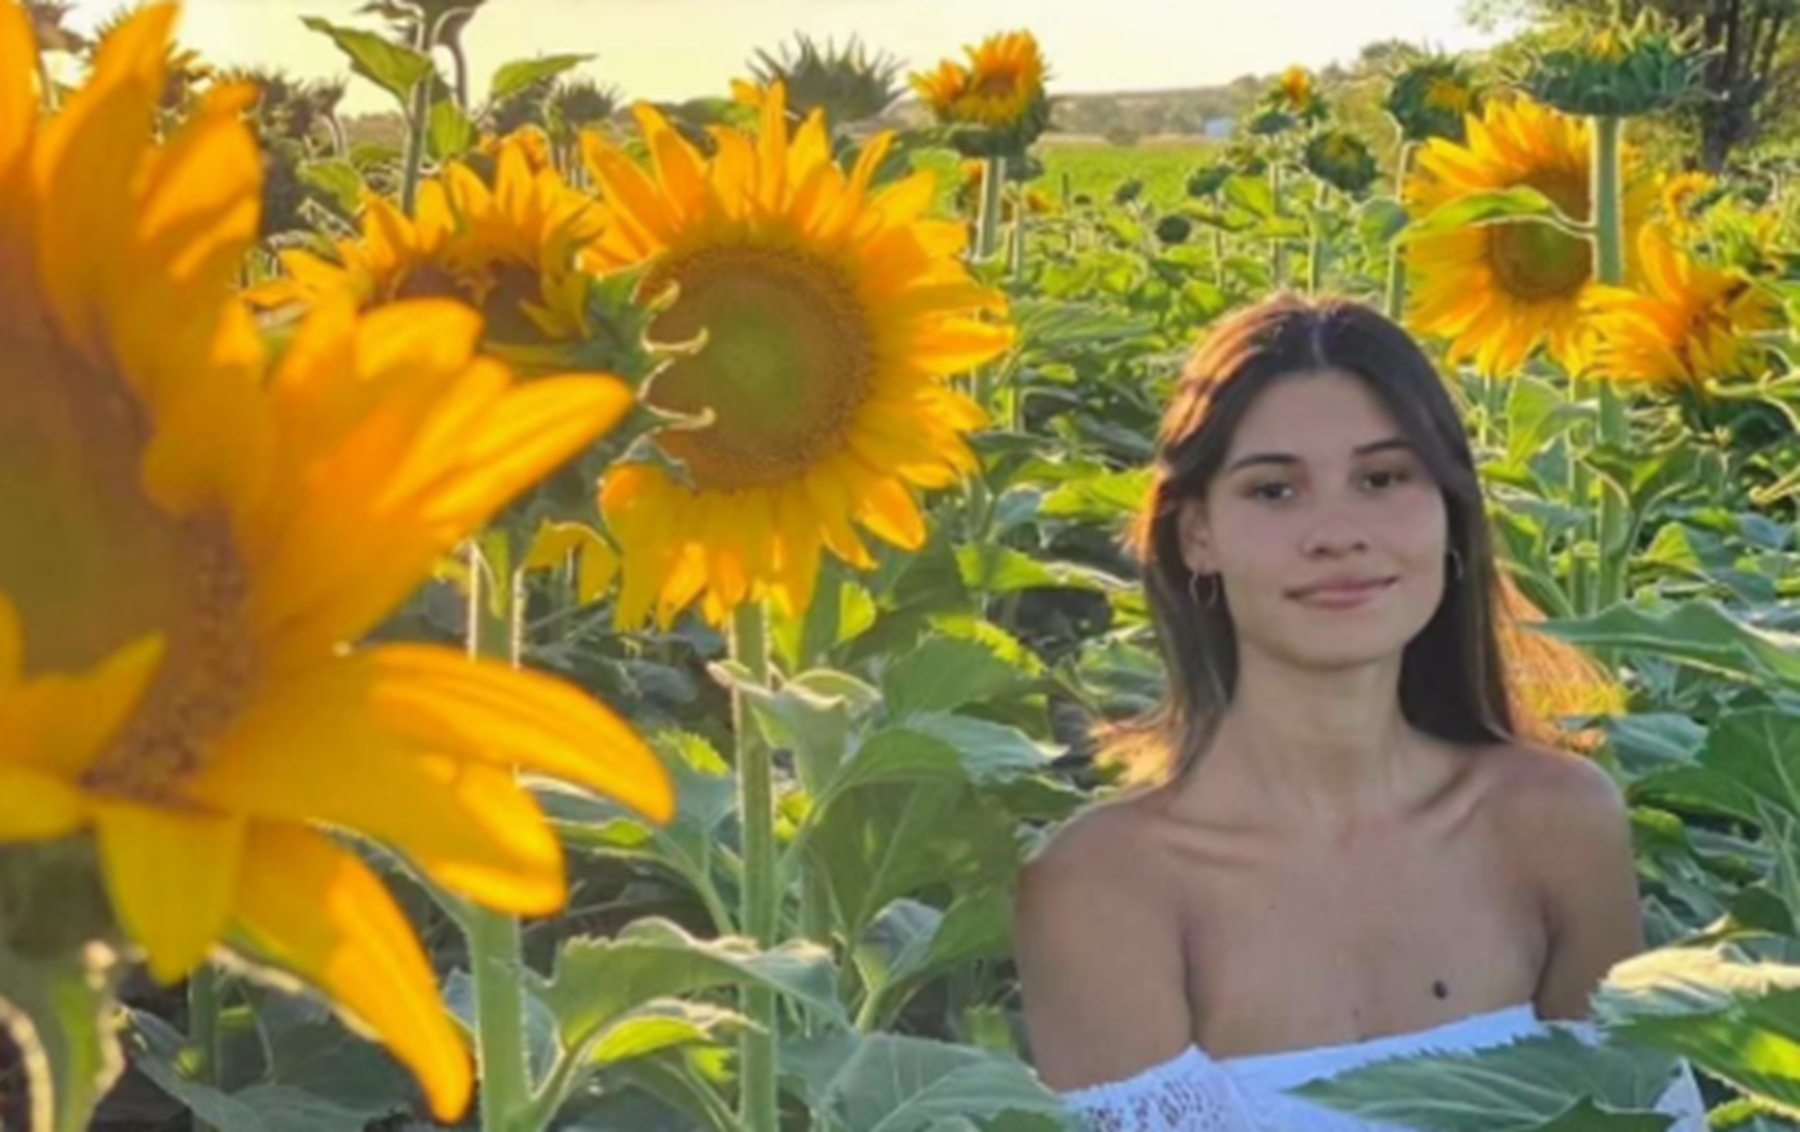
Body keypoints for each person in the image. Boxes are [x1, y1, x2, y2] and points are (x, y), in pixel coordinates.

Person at [1011, 294, 1706, 1131]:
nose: (1337, 532)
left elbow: (1640, 1117)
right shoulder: (1105, 888)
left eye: (1382, 479)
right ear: (1197, 533)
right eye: (1275, 491)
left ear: (1449, 508)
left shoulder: (1556, 823)